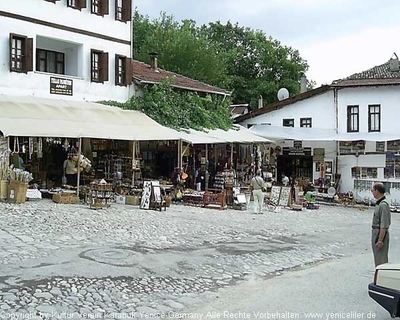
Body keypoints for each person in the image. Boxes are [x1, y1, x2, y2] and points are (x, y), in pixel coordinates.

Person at [371, 182, 391, 267]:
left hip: (379, 234)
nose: (372, 192)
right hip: (376, 232)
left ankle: (381, 278)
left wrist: (380, 240)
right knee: (377, 258)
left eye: (373, 190)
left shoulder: (383, 205)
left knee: (381, 260)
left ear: (377, 191)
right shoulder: (379, 204)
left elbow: (384, 225)